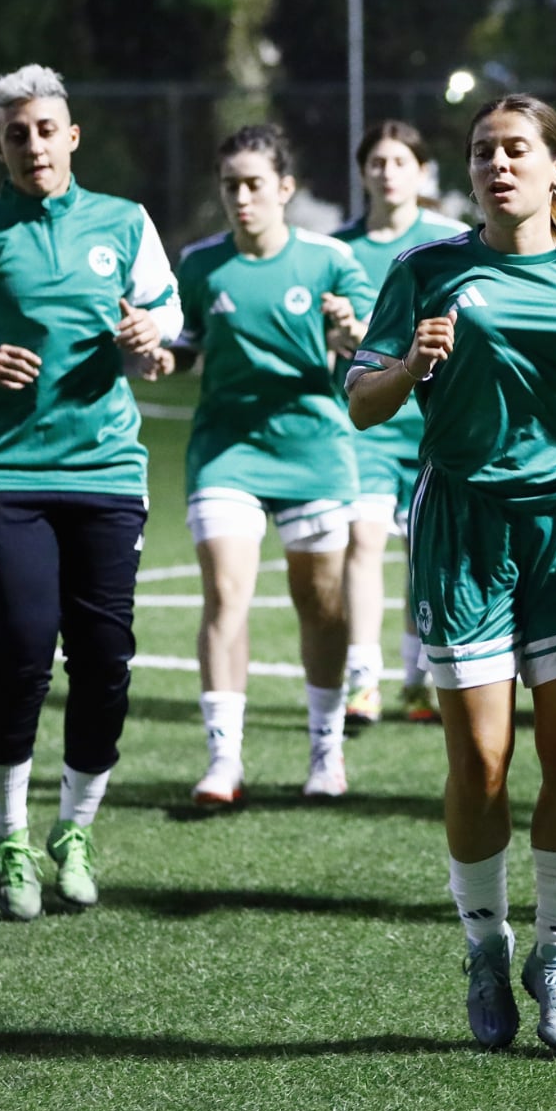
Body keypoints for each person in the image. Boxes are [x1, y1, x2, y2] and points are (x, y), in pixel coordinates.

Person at [347, 93, 556, 1054]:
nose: (499, 165)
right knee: (480, 760)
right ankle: (486, 947)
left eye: (518, 150)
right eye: (484, 152)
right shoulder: (425, 271)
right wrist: (412, 368)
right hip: (466, 526)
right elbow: (361, 400)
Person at [0, 64, 179, 922]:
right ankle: (8, 837)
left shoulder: (124, 222)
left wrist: (151, 338)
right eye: (15, 133)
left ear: (73, 136)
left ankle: (73, 832)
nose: (33, 145)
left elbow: (164, 322)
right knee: (25, 652)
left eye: (46, 130)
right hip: (1, 473)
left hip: (108, 471)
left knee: (105, 662)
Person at [152, 125, 373, 806]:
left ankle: (325, 752)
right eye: (230, 185)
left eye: (254, 184)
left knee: (322, 603)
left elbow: (370, 347)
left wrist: (349, 333)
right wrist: (161, 354)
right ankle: (224, 759)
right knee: (226, 593)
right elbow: (186, 345)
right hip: (227, 451)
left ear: (284, 188)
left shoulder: (332, 261)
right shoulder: (199, 263)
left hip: (314, 449)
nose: (241, 197)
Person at [333, 121, 468, 728]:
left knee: (424, 549)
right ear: (363, 173)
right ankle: (364, 680)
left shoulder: (451, 243)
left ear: (420, 172)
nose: (387, 172)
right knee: (361, 541)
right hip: (364, 426)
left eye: (399, 162)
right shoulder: (336, 248)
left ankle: (418, 677)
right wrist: (336, 337)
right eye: (377, 162)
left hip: (430, 423)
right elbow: (331, 347)